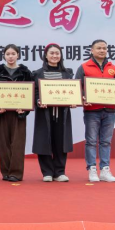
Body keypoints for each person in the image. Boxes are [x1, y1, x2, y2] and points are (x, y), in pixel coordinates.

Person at [75, 39, 115, 182]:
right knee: (91, 141)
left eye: (104, 48)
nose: (102, 50)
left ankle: (105, 170)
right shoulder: (84, 67)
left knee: (106, 142)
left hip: (109, 111)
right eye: (99, 48)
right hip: (92, 110)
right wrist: (83, 98)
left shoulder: (113, 68)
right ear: (92, 50)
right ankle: (92, 169)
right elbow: (77, 88)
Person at [32, 43, 77, 182]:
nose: (54, 56)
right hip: (44, 113)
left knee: (61, 141)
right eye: (51, 53)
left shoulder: (67, 73)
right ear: (45, 55)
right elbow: (35, 92)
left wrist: (74, 100)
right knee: (44, 141)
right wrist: (38, 100)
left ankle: (59, 172)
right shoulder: (37, 73)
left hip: (62, 113)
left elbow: (72, 91)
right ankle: (47, 172)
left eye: (57, 53)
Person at [0, 44, 33, 182]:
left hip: (18, 114)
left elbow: (31, 94)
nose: (10, 56)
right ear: (4, 55)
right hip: (2, 113)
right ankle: (5, 171)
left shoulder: (25, 72)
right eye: (8, 54)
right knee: (3, 142)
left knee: (18, 143)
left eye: (13, 54)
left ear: (18, 55)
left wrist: (25, 109)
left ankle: (16, 173)